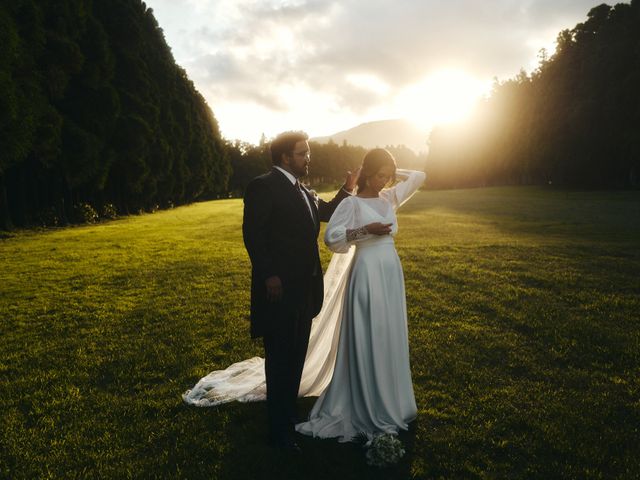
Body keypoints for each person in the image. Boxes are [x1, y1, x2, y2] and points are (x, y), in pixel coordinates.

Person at [295, 148, 426, 442]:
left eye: (387, 177)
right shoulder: (352, 203)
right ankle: (366, 399)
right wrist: (366, 230)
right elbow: (332, 239)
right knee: (371, 331)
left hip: (390, 270)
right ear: (368, 172)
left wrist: (393, 168)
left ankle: (392, 399)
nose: (383, 181)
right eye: (379, 175)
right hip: (366, 270)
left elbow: (420, 176)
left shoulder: (389, 197)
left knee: (389, 331)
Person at [240, 131, 355, 450]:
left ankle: (288, 416)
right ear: (285, 157)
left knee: (295, 356)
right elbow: (253, 235)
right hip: (278, 290)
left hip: (305, 290)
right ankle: (278, 432)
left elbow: (326, 213)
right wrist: (269, 275)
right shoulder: (263, 186)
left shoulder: (302, 190)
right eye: (302, 153)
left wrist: (348, 188)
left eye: (307, 152)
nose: (308, 157)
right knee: (279, 360)